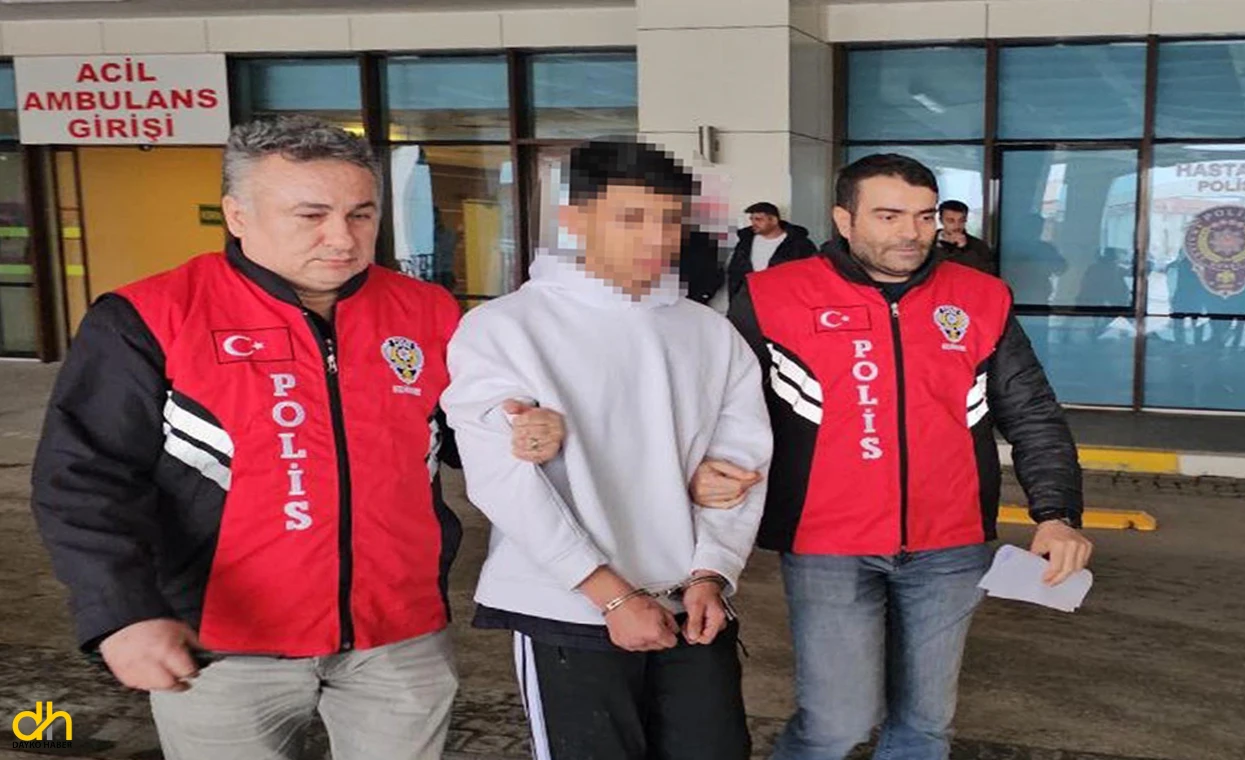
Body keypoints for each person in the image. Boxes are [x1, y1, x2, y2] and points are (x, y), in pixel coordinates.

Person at [29, 116, 564, 760]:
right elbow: (83, 478)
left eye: (361, 214)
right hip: (222, 646)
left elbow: (461, 435)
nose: (342, 238)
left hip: (397, 635)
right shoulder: (151, 317)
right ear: (238, 215)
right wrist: (122, 611)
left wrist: (518, 425)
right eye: (311, 215)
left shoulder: (427, 312)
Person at [700, 153, 1091, 760]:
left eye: (924, 216)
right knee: (837, 725)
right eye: (889, 216)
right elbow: (719, 404)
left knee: (925, 726)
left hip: (951, 545)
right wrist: (701, 465)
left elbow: (1033, 412)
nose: (912, 232)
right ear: (844, 220)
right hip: (827, 545)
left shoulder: (980, 297)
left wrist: (1057, 513)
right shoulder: (773, 296)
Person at [441, 139, 773, 760]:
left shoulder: (708, 332)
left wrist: (713, 571)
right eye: (631, 218)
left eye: (670, 220)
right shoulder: (506, 327)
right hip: (569, 604)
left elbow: (740, 463)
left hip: (690, 600)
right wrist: (611, 596)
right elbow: (502, 483)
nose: (656, 238)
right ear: (574, 219)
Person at [726, 201, 817, 299]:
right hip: (748, 299)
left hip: (785, 300)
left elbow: (812, 274)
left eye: (758, 219)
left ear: (774, 220)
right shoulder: (745, 242)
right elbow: (735, 273)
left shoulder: (799, 243)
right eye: (751, 219)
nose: (753, 223)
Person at [933, 199, 995, 274]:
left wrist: (964, 250)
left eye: (961, 220)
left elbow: (987, 273)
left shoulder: (979, 246)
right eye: (951, 221)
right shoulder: (928, 242)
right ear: (941, 220)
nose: (957, 225)